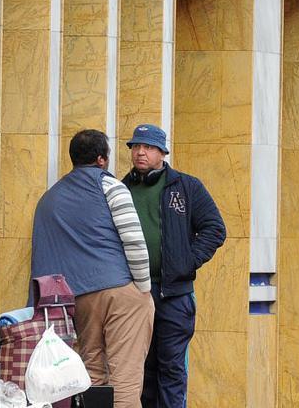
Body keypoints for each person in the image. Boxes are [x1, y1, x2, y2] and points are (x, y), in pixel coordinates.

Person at [31, 129, 154, 408]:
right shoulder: (110, 187)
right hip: (121, 292)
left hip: (81, 297)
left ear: (73, 159)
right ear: (102, 159)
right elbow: (134, 240)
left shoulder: (51, 198)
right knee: (125, 374)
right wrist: (143, 289)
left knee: (91, 371)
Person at [121, 124, 226, 408]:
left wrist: (186, 262)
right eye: (136, 147)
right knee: (142, 368)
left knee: (172, 367)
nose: (141, 152)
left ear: (162, 153)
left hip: (174, 295)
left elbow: (215, 229)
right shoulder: (121, 189)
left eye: (149, 147)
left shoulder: (186, 186)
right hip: (135, 294)